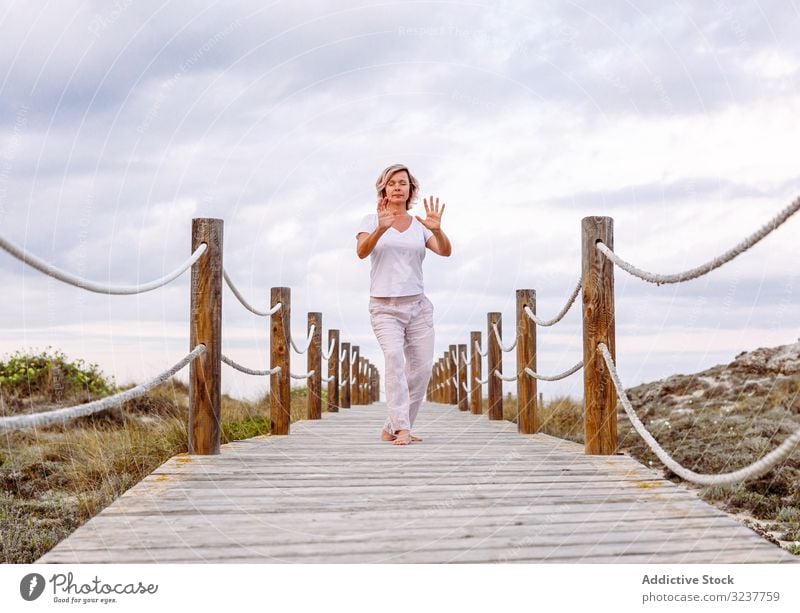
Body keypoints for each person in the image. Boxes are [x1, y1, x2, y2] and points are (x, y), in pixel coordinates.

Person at [356, 164, 452, 446]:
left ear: (411, 190)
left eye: (403, 183)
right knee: (395, 359)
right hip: (385, 308)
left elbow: (445, 251)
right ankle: (403, 430)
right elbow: (362, 252)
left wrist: (438, 230)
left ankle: (392, 426)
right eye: (392, 183)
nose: (398, 187)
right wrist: (380, 229)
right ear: (383, 188)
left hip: (418, 307)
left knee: (421, 370)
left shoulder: (420, 226)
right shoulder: (370, 219)